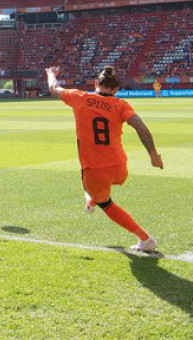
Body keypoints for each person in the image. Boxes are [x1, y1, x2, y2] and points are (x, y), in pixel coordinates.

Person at [46, 65, 164, 253]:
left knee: (105, 202)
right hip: (120, 167)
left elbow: (53, 88)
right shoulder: (121, 104)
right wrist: (153, 155)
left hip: (94, 169)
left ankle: (145, 239)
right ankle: (91, 201)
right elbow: (141, 128)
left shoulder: (80, 97)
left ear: (95, 83)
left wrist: (51, 73)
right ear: (116, 90)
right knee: (98, 191)